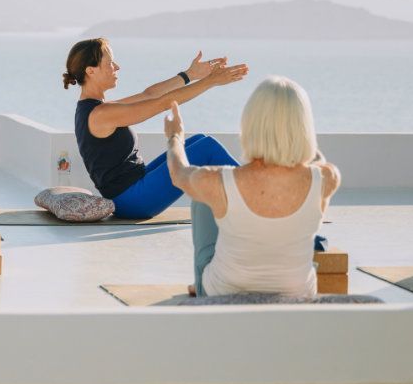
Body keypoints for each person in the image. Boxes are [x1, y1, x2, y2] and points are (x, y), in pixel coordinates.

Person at [166, 76, 341, 298]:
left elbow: (178, 172)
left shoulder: (217, 180)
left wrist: (175, 136)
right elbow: (316, 160)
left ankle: (199, 286)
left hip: (223, 294)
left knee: (203, 199)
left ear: (249, 123)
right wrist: (296, 142)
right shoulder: (327, 178)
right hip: (297, 295)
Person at [64, 38, 248, 219]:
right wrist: (211, 81)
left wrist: (190, 75)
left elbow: (149, 95)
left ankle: (247, 199)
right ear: (90, 70)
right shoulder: (101, 114)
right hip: (131, 200)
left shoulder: (97, 108)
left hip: (134, 188)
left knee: (199, 140)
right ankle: (258, 193)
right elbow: (161, 103)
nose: (117, 67)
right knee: (207, 147)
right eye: (110, 63)